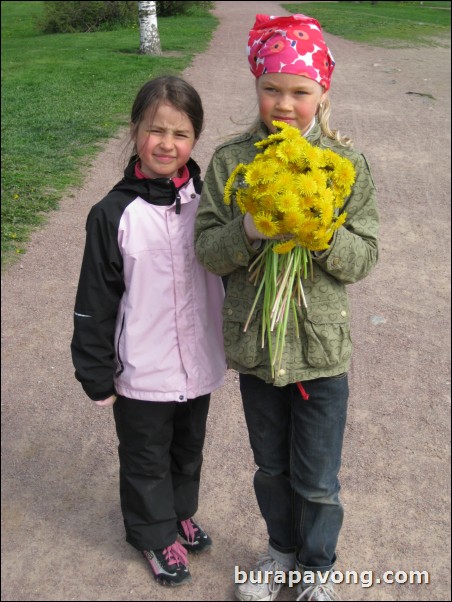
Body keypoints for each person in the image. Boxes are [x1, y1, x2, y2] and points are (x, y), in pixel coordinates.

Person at [195, 14, 379, 602]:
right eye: (271, 88)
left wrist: (321, 232)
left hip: (320, 352)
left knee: (318, 479)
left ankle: (317, 570)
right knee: (271, 468)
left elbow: (364, 256)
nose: (284, 103)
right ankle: (278, 550)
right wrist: (249, 227)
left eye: (299, 91)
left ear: (323, 92)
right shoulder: (231, 161)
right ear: (256, 88)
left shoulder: (345, 167)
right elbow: (206, 250)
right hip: (259, 347)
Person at [71, 75, 226, 587]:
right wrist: (95, 371)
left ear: (195, 139)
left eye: (180, 134)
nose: (166, 143)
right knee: (145, 459)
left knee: (187, 448)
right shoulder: (114, 214)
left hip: (198, 362)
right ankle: (152, 534)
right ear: (135, 129)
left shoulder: (210, 204)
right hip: (141, 367)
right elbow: (94, 302)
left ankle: (179, 512)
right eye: (155, 130)